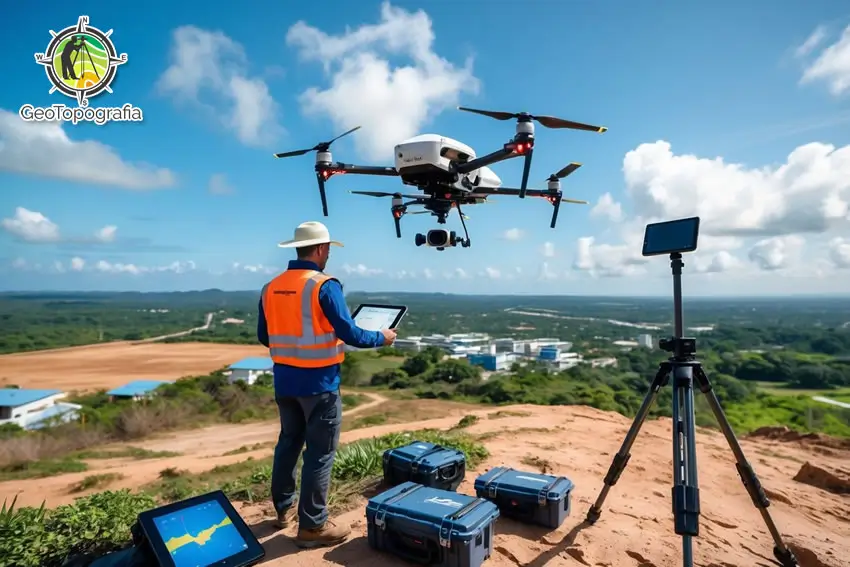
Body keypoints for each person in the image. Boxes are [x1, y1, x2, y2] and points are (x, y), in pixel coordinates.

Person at [257, 221, 397, 549]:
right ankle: (313, 527)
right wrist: (383, 337)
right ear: (321, 249)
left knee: (288, 442)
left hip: (285, 380)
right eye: (329, 249)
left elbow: (265, 336)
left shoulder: (271, 287)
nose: (329, 254)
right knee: (320, 454)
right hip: (320, 384)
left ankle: (283, 510)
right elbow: (351, 334)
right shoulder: (324, 285)